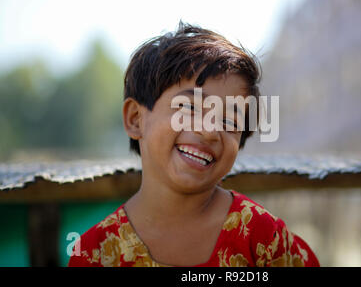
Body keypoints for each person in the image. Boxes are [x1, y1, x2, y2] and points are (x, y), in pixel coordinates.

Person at [68, 21, 320, 267]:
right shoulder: (95, 254)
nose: (210, 131)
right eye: (189, 108)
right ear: (136, 119)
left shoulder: (263, 238)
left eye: (229, 121)